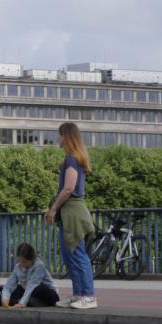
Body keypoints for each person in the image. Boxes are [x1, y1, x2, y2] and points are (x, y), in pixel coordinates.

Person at [46, 122, 98, 310]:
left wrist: (53, 209)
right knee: (70, 256)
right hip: (72, 211)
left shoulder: (71, 159)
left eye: (59, 135)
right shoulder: (74, 158)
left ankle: (88, 296)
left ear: (66, 137)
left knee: (77, 255)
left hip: (73, 212)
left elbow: (69, 188)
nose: (57, 139)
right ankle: (79, 295)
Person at [1, 243, 59, 308]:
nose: (21, 264)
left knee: (38, 288)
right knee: (14, 290)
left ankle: (28, 301)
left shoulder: (39, 266)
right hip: (30, 293)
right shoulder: (18, 267)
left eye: (24, 262)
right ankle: (32, 301)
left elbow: (32, 285)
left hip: (48, 295)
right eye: (19, 261)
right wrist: (5, 299)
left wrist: (22, 303)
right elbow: (9, 285)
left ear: (32, 259)